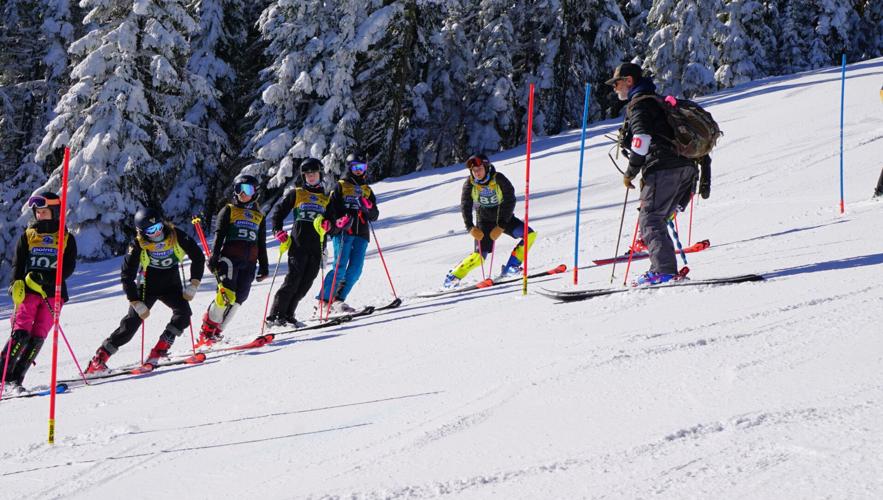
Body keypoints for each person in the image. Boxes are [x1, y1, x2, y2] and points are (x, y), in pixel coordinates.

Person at [607, 62, 706, 285]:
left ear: (629, 81)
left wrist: (630, 172)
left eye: (617, 83)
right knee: (657, 218)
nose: (615, 88)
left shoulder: (639, 105)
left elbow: (642, 140)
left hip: (664, 168)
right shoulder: (658, 101)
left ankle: (664, 271)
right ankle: (660, 268)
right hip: (687, 168)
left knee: (650, 219)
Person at [85, 207, 205, 372]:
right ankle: (99, 358)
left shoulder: (176, 235)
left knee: (184, 315)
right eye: (150, 231)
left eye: (158, 227)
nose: (156, 233)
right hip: (147, 288)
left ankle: (159, 350)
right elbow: (127, 275)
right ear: (141, 232)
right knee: (131, 324)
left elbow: (198, 256)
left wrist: (194, 283)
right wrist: (135, 301)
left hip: (172, 286)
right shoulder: (138, 244)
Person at [2, 192, 77, 391]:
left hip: (54, 294)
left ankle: (15, 379)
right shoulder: (28, 235)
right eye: (37, 212)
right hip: (28, 291)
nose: (40, 216)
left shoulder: (65, 238)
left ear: (54, 212)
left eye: (44, 212)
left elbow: (68, 267)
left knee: (38, 336)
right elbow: (17, 264)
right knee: (21, 332)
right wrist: (15, 284)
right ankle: (3, 374)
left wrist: (48, 279)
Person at [266, 158, 343, 327]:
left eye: (314, 174)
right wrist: (277, 230)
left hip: (317, 247)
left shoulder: (326, 199)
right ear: (303, 176)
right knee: (293, 279)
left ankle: (288, 315)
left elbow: (334, 226)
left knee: (306, 282)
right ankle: (275, 315)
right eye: (308, 175)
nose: (311, 177)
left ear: (320, 174)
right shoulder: (297, 193)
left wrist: (330, 225)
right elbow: (278, 212)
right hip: (298, 244)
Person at [443, 154, 537, 288]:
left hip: (504, 219)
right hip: (484, 221)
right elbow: (465, 205)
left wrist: (501, 225)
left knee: (529, 235)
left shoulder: (499, 179)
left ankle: (511, 267)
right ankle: (453, 276)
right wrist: (470, 227)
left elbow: (510, 200)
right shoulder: (470, 183)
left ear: (486, 167)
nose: (477, 172)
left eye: (479, 168)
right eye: (474, 170)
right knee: (479, 257)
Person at [197, 174, 269, 345]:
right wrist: (214, 255)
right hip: (230, 259)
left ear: (255, 192)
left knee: (239, 298)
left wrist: (264, 266)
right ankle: (206, 331)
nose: (243, 194)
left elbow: (261, 243)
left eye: (248, 190)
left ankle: (217, 332)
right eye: (239, 190)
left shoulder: (259, 216)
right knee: (226, 295)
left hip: (250, 262)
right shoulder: (229, 210)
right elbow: (219, 234)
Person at [315, 153, 378, 314]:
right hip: (344, 232)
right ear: (349, 168)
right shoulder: (341, 186)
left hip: (362, 233)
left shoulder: (367, 190)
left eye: (361, 167)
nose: (358, 171)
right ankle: (324, 300)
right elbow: (330, 209)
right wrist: (338, 221)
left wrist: (368, 207)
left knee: (356, 269)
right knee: (340, 266)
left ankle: (338, 300)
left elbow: (375, 215)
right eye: (355, 167)